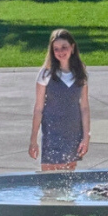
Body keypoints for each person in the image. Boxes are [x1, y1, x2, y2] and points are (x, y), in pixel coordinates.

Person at [29, 29, 90, 171]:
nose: (60, 52)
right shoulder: (46, 74)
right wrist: (33, 140)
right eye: (56, 49)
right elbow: (38, 108)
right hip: (52, 132)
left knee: (68, 181)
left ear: (72, 47)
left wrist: (86, 137)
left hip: (73, 131)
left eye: (64, 47)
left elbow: (85, 107)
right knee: (49, 179)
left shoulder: (81, 74)